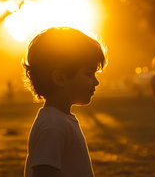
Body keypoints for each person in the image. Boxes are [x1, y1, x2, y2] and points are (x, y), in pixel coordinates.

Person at [23, 27, 106, 177]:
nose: (96, 82)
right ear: (60, 78)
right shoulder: (53, 125)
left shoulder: (59, 120)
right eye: (89, 74)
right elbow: (43, 172)